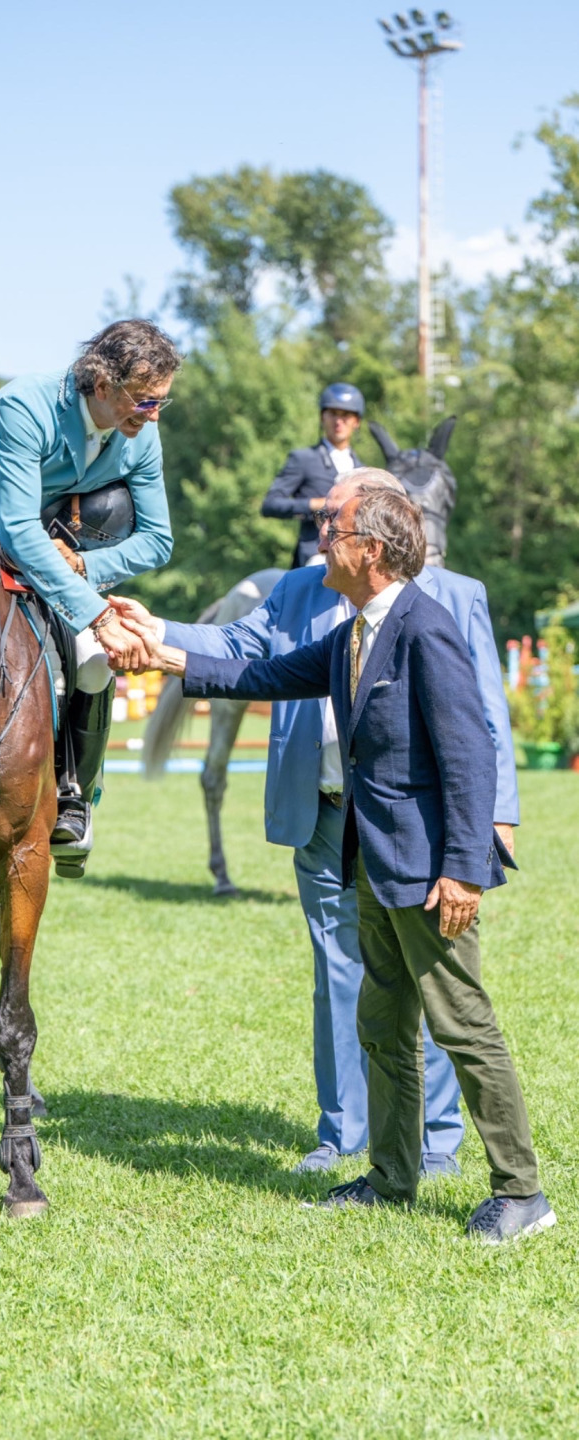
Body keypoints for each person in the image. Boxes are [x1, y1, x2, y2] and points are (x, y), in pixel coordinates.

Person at [144, 486, 554, 1243]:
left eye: (333, 527)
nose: (319, 535)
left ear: (372, 548)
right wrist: (165, 655)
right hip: (373, 863)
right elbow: (262, 676)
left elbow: (469, 757)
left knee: (462, 1025)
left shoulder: (424, 630)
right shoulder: (356, 633)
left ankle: (522, 1192)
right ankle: (392, 1178)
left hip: (431, 872)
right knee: (382, 1024)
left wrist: (463, 870)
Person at [0, 318, 180, 872]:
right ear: (102, 385)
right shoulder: (23, 407)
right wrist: (96, 612)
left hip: (50, 565)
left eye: (159, 404)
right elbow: (12, 528)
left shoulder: (140, 433)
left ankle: (76, 793)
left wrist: (84, 563)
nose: (151, 416)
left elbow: (159, 540)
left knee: (94, 662)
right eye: (145, 402)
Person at [261, 382, 364, 567]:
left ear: (357, 421)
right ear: (322, 417)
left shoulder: (363, 470)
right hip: (316, 552)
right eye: (333, 413)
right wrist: (313, 505)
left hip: (354, 553)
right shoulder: (303, 459)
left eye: (346, 415)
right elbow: (270, 504)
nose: (338, 421)